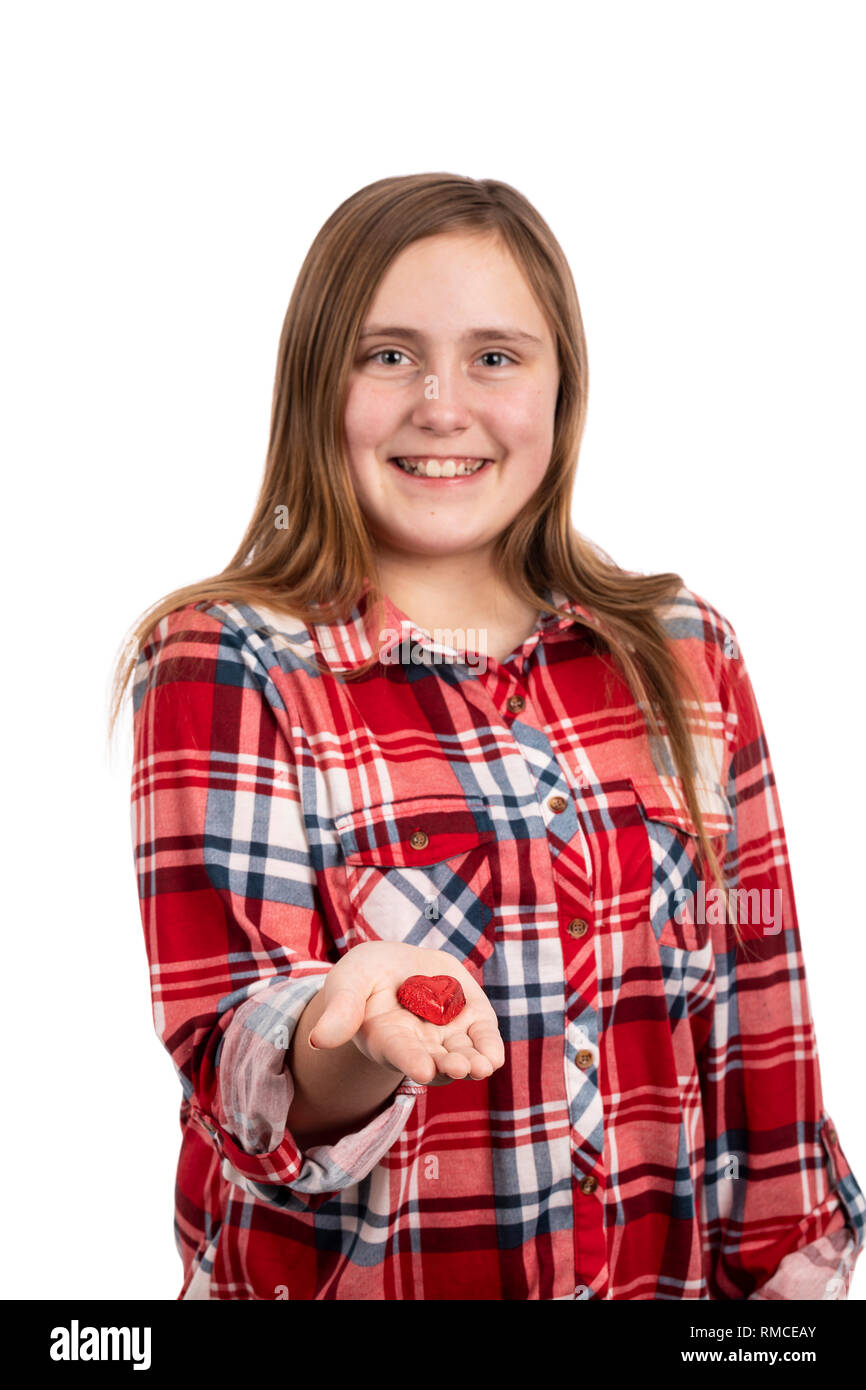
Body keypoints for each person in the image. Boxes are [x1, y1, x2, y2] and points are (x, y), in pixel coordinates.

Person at [111, 172, 865, 1300]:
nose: (442, 405)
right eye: (388, 355)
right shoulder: (228, 659)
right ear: (319, 383)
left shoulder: (684, 654)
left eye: (495, 357)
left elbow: (762, 1033)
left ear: (561, 390)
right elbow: (239, 1067)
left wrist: (783, 1301)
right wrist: (352, 1024)